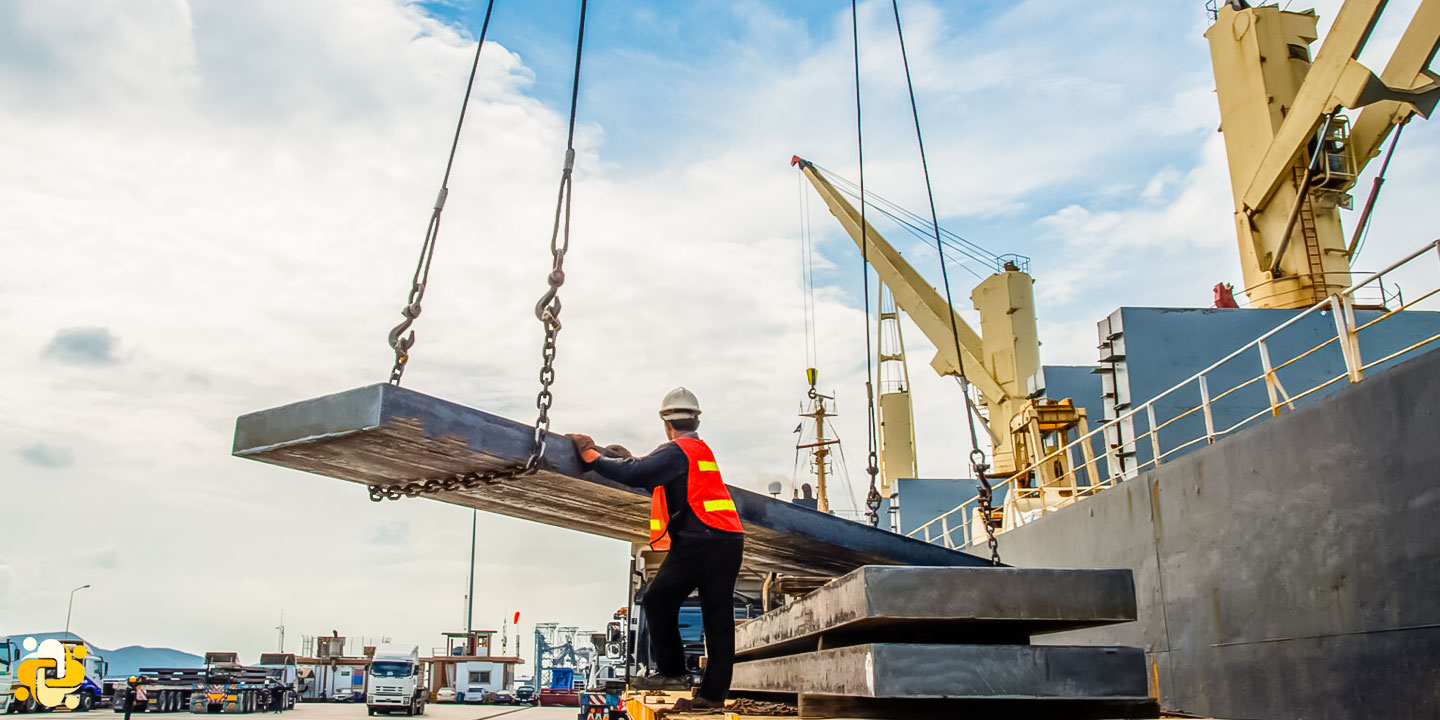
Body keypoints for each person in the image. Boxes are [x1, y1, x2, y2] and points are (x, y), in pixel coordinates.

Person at [568, 387, 745, 711]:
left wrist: (592, 457)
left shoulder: (677, 451)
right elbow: (652, 473)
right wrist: (622, 459)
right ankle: (711, 695)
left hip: (699, 540)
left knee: (657, 598)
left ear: (667, 423)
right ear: (695, 419)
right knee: (717, 621)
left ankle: (672, 672)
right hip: (728, 539)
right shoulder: (699, 451)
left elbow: (638, 474)